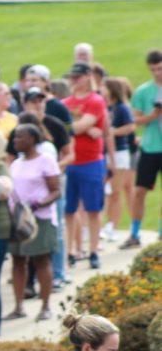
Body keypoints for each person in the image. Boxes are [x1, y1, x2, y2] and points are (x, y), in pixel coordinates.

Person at [6, 124, 61, 322]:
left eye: (19, 137)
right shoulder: (16, 164)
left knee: (41, 260)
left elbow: (56, 190)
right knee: (18, 260)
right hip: (18, 218)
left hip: (40, 218)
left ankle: (46, 306)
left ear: (31, 138)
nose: (15, 141)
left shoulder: (46, 161)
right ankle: (19, 306)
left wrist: (38, 203)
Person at [62, 62, 108, 269]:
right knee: (69, 209)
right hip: (71, 161)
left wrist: (80, 125)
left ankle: (93, 250)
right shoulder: (65, 102)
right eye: (72, 78)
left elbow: (77, 127)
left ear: (87, 77)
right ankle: (70, 249)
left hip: (90, 161)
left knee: (93, 208)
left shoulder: (95, 100)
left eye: (77, 77)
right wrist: (84, 127)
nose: (74, 81)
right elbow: (68, 129)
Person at [121, 51, 162, 249]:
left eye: (160, 68)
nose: (157, 73)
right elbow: (134, 120)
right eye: (153, 69)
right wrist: (152, 116)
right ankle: (135, 232)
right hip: (150, 146)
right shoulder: (144, 91)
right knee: (139, 191)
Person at [100, 77, 136, 243]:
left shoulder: (121, 108)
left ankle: (113, 226)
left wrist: (112, 132)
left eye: (104, 87)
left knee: (115, 191)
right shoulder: (104, 107)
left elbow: (131, 127)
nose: (100, 89)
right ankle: (104, 224)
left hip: (120, 152)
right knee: (104, 191)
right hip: (103, 152)